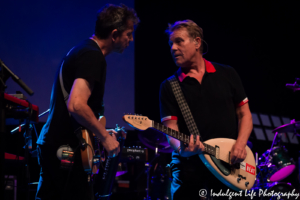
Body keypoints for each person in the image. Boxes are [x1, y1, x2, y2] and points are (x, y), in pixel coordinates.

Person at [35, 4, 139, 200]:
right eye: (129, 34)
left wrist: (97, 133)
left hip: (58, 145)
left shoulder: (83, 50)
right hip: (64, 149)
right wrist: (105, 138)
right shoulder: (92, 55)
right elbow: (76, 105)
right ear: (114, 34)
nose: (131, 39)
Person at [159, 20, 253, 199]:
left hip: (230, 164)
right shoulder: (169, 86)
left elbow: (245, 114)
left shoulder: (227, 74)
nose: (173, 48)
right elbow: (171, 131)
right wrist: (183, 149)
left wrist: (240, 144)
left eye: (179, 41)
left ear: (197, 42)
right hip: (190, 169)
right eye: (171, 43)